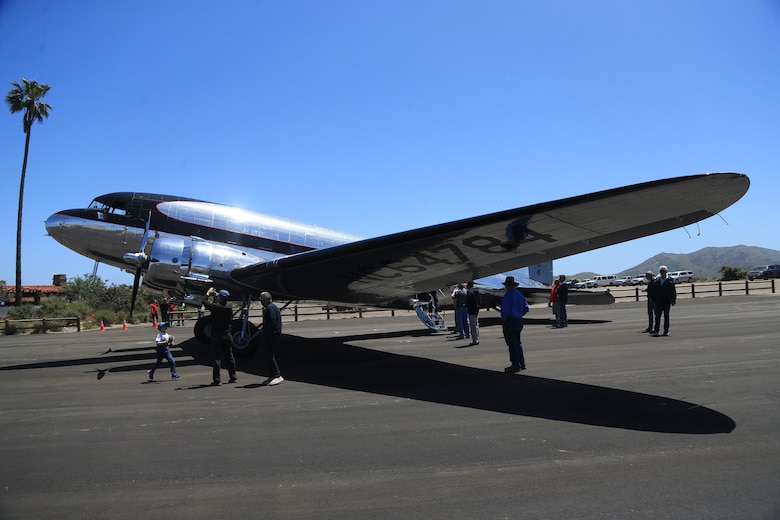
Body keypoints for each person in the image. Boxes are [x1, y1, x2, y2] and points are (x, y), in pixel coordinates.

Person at [203, 287, 237, 385]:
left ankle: (217, 379)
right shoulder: (229, 308)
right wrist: (216, 296)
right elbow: (216, 305)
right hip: (227, 334)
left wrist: (208, 293)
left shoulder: (216, 307)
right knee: (229, 357)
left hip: (217, 334)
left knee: (216, 357)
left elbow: (204, 302)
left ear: (220, 298)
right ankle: (233, 377)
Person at [500, 276, 530, 372]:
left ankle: (515, 364)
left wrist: (503, 322)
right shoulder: (519, 294)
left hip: (510, 321)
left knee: (512, 344)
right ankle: (522, 363)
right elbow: (526, 309)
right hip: (518, 320)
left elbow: (505, 312)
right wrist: (519, 315)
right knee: (518, 343)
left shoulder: (508, 296)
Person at [260, 291, 284, 386]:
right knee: (268, 356)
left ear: (265, 299)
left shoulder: (270, 308)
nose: (260, 300)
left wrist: (266, 333)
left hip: (272, 337)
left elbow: (272, 323)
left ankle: (277, 375)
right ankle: (272, 376)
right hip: (272, 336)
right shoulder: (270, 307)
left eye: (261, 298)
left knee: (270, 356)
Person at [651, 265, 676, 337]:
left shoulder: (670, 280)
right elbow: (654, 291)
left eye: (663, 271)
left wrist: (673, 300)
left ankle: (666, 331)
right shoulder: (657, 280)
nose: (662, 272)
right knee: (657, 316)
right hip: (658, 301)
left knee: (666, 316)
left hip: (666, 301)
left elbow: (673, 291)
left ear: (666, 272)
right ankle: (656, 331)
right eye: (661, 271)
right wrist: (653, 299)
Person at [465, 281, 480, 346]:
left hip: (472, 311)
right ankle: (477, 337)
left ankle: (475, 340)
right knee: (476, 325)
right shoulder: (476, 292)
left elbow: (469, 302)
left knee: (473, 325)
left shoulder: (469, 292)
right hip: (476, 310)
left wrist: (466, 305)